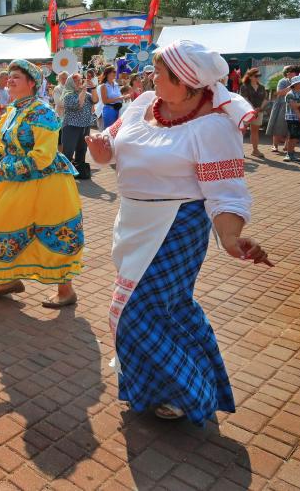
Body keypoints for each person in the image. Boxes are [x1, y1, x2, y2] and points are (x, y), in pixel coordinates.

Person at [85, 39, 269, 424]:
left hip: (176, 227)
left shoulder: (214, 128)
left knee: (136, 312)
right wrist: (104, 152)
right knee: (169, 309)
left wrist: (231, 238)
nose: (151, 77)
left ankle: (189, 392)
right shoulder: (142, 104)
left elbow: (226, 192)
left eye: (161, 73)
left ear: (187, 83)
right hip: (132, 222)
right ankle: (162, 388)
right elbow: (113, 146)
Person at [0, 59, 82, 307]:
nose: (10, 79)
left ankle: (66, 290)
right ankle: (9, 279)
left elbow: (43, 156)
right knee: (2, 227)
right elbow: (2, 147)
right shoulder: (13, 110)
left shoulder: (42, 112)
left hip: (49, 184)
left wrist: (4, 168)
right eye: (9, 76)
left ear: (31, 83)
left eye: (17, 76)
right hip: (16, 182)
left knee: (52, 233)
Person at [61, 73, 99, 180]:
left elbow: (95, 100)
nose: (80, 82)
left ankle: (79, 172)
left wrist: (94, 88)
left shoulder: (86, 93)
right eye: (76, 81)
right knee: (68, 151)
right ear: (71, 83)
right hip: (71, 126)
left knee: (82, 150)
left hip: (85, 126)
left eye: (80, 80)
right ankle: (64, 175)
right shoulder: (68, 95)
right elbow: (79, 104)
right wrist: (83, 90)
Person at [265, 66, 298, 152]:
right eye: (287, 72)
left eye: (291, 72)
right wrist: (293, 86)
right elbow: (280, 93)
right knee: (278, 126)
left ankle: (287, 146)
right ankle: (274, 145)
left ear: (296, 73)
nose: (289, 73)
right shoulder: (282, 81)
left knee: (291, 127)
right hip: (281, 106)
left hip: (294, 107)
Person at [239, 68, 267, 158]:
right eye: (256, 76)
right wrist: (253, 109)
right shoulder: (244, 86)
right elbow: (245, 99)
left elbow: (265, 99)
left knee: (255, 131)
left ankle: (255, 150)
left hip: (258, 112)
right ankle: (239, 151)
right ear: (250, 77)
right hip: (247, 112)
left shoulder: (262, 87)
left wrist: (260, 108)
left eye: (259, 76)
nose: (258, 77)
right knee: (242, 131)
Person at [284, 76, 300, 163]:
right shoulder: (290, 94)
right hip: (292, 118)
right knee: (293, 136)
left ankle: (290, 154)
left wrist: (298, 105)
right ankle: (289, 154)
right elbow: (293, 107)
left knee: (295, 137)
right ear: (294, 84)